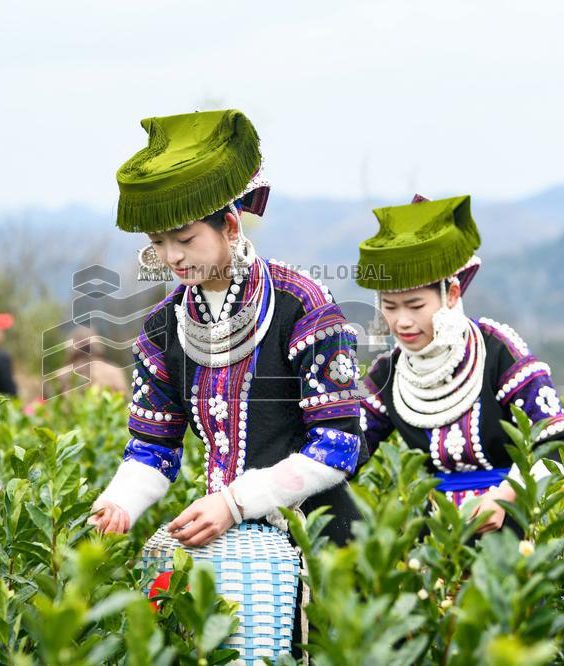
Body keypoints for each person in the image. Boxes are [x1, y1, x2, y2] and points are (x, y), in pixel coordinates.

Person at [89, 109, 367, 549]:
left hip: (320, 539)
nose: (172, 257)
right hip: (223, 536)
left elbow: (338, 444)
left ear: (230, 226)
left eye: (185, 239)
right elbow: (153, 449)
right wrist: (118, 503)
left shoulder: (302, 306)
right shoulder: (163, 329)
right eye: (158, 243)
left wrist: (236, 501)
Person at [356, 194, 564, 536]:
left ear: (452, 294)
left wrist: (505, 497)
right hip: (438, 538)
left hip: (515, 527)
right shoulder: (390, 373)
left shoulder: (497, 350)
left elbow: (554, 442)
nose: (402, 322)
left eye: (415, 305)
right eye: (390, 306)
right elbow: (350, 448)